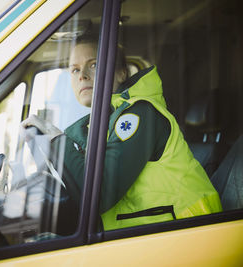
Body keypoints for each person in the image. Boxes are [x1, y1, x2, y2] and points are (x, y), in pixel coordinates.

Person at [21, 36, 222, 231]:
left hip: (188, 234)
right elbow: (84, 194)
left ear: (121, 74)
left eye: (93, 65)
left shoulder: (139, 114)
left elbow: (98, 195)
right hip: (153, 235)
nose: (82, 75)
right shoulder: (101, 124)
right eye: (74, 69)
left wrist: (56, 140)